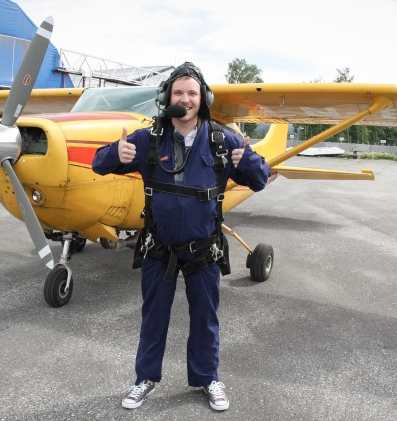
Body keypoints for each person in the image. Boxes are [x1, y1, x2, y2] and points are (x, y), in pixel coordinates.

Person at [92, 62, 271, 411]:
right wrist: (117, 153)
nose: (185, 99)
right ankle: (145, 378)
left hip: (204, 250)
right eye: (178, 92)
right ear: (167, 98)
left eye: (192, 93)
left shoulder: (223, 140)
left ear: (202, 99)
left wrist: (247, 160)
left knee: (205, 319)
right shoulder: (148, 139)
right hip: (158, 247)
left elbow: (261, 179)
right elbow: (99, 163)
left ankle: (207, 378)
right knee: (153, 317)